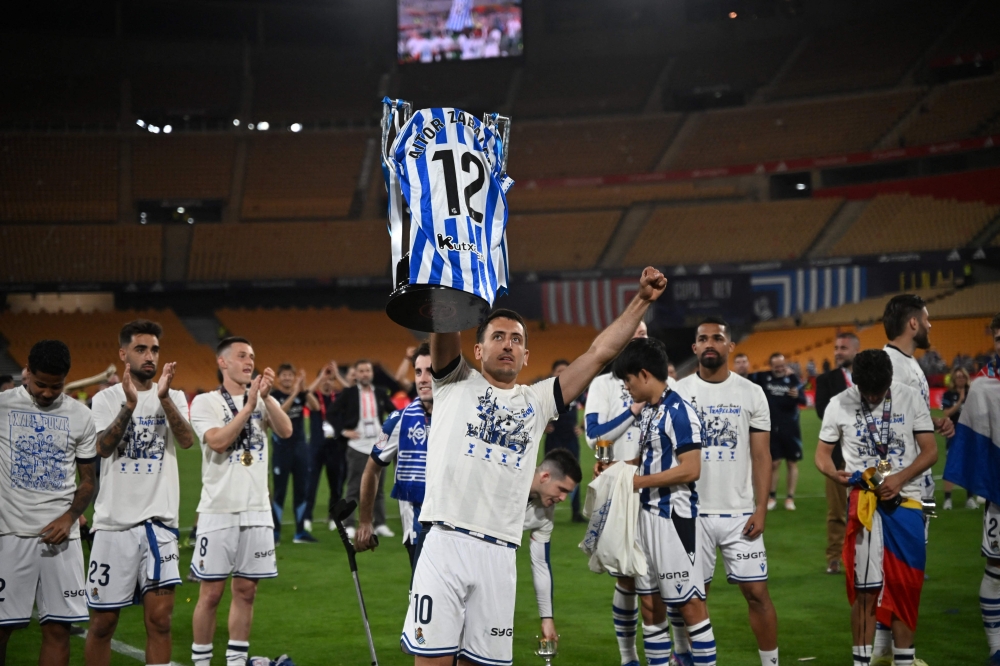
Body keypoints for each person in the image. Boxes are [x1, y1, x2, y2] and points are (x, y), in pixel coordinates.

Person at [399, 266, 667, 666]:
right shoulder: (453, 380)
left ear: (526, 356)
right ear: (478, 350)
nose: (507, 345)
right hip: (445, 544)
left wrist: (642, 300)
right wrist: (445, 262)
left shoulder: (538, 402)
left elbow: (598, 353)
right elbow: (445, 317)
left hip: (500, 555)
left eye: (517, 340)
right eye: (498, 337)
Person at [815, 349, 937, 666]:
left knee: (905, 585)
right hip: (864, 503)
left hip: (907, 502)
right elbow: (822, 455)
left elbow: (930, 451)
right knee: (865, 590)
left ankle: (904, 662)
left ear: (890, 380)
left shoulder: (910, 398)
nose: (871, 396)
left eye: (878, 391)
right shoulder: (838, 403)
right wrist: (831, 472)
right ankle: (861, 662)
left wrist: (899, 478)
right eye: (865, 391)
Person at [85, 320, 195, 666]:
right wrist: (129, 405)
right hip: (113, 526)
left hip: (158, 527)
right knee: (103, 623)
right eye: (141, 349)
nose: (150, 356)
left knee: (160, 622)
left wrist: (162, 398)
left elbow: (188, 440)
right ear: (123, 353)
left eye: (155, 350)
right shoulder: (104, 398)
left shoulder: (173, 396)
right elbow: (102, 448)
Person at [608, 336, 717, 666]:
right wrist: (616, 471)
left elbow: (691, 469)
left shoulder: (680, 412)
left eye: (627, 380)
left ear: (643, 374)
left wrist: (637, 481)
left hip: (674, 520)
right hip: (645, 518)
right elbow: (648, 461)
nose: (627, 388)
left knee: (690, 604)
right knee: (651, 603)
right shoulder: (651, 413)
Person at [675, 317, 778, 666]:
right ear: (694, 348)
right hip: (691, 513)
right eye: (702, 338)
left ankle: (771, 663)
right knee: (692, 597)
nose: (709, 344)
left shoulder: (752, 393)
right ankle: (693, 660)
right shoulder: (677, 391)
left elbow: (762, 456)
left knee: (758, 593)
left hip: (740, 514)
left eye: (717, 338)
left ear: (730, 346)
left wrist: (761, 508)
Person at [188, 337, 293, 666]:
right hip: (218, 510)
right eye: (242, 356)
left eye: (253, 356)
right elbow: (218, 442)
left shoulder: (262, 400)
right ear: (223, 362)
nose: (250, 361)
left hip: (257, 510)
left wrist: (265, 399)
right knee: (211, 594)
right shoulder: (205, 402)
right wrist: (248, 407)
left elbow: (286, 431)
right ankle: (202, 662)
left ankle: (235, 662)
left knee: (246, 591)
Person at [0, 340, 97, 666]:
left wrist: (70, 517)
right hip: (10, 536)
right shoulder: (3, 406)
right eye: (41, 384)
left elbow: (88, 481)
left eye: (56, 386)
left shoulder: (81, 416)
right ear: (27, 372)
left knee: (58, 630)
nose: (46, 392)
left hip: (61, 540)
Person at [583, 320, 658, 666]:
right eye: (634, 333)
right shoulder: (602, 384)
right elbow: (595, 436)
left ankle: (680, 653)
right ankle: (628, 657)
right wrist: (632, 411)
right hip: (621, 491)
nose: (639, 338)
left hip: (660, 488)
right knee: (626, 578)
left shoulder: (662, 384)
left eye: (643, 334)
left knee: (667, 578)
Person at [944, 312, 1000, 666]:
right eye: (998, 338)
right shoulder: (983, 386)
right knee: (996, 569)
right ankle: (996, 648)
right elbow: (970, 444)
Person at [358, 344, 434, 569]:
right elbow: (371, 469)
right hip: (419, 530)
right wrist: (365, 522)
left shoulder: (461, 418)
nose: (422, 379)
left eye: (430, 371)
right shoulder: (398, 421)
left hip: (458, 529)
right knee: (424, 601)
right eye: (418, 372)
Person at [329, 359, 396, 539]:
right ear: (356, 374)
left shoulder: (380, 393)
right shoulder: (349, 393)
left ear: (371, 373)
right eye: (361, 371)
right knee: (353, 487)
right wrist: (343, 431)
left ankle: (380, 523)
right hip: (357, 446)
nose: (365, 374)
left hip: (378, 447)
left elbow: (394, 412)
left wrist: (389, 429)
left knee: (379, 487)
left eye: (368, 370)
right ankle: (349, 523)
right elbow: (332, 412)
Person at [814, 332, 861, 574]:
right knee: (836, 510)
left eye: (843, 348)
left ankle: (865, 555)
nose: (838, 352)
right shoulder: (826, 379)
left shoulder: (869, 377)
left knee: (870, 506)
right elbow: (822, 411)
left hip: (867, 454)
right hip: (837, 455)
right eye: (836, 348)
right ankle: (834, 557)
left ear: (855, 350)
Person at [269, 363, 321, 544]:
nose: (287, 378)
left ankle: (300, 532)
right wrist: (294, 393)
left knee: (301, 491)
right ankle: (275, 532)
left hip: (300, 450)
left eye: (290, 376)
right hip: (281, 450)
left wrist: (304, 390)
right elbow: (279, 413)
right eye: (284, 375)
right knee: (280, 492)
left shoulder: (300, 394)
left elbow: (315, 407)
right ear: (278, 377)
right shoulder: (273, 396)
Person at [752, 353, 806, 510]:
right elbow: (746, 378)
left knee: (791, 462)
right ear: (771, 366)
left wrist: (797, 395)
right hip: (771, 428)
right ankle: (772, 496)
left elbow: (803, 400)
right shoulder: (763, 378)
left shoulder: (793, 380)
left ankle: (790, 498)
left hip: (791, 429)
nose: (780, 368)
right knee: (774, 463)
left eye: (782, 365)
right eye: (776, 366)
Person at [303, 363, 344, 532]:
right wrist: (320, 377)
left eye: (331, 379)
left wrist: (338, 375)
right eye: (324, 379)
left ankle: (334, 517)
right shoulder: (314, 397)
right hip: (316, 448)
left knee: (336, 486)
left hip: (335, 447)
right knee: (311, 485)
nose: (327, 382)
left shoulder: (339, 398)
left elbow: (352, 392)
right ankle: (306, 517)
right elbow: (304, 393)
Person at [544, 359, 585, 522]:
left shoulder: (577, 390)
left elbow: (591, 408)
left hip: (571, 440)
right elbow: (535, 412)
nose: (562, 374)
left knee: (573, 474)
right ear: (553, 373)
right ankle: (546, 512)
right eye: (559, 370)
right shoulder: (547, 392)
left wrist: (582, 427)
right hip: (553, 439)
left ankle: (576, 513)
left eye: (565, 370)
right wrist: (543, 426)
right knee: (550, 474)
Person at [942, 366, 974, 510]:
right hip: (954, 435)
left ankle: (970, 498)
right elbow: (947, 413)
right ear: (954, 379)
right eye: (958, 376)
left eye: (963, 376)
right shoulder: (948, 395)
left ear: (966, 378)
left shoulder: (972, 393)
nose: (960, 378)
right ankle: (948, 499)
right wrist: (960, 401)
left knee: (970, 466)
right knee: (951, 465)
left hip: (970, 435)